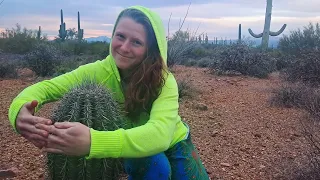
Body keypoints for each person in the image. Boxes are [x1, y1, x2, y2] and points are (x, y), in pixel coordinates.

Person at [8, 5, 210, 180]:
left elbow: (160, 134)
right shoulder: (98, 71)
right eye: (120, 36)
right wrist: (19, 112)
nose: (124, 47)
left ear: (151, 49)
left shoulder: (165, 81)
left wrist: (92, 142)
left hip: (173, 141)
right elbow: (45, 88)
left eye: (137, 42)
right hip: (128, 146)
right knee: (156, 168)